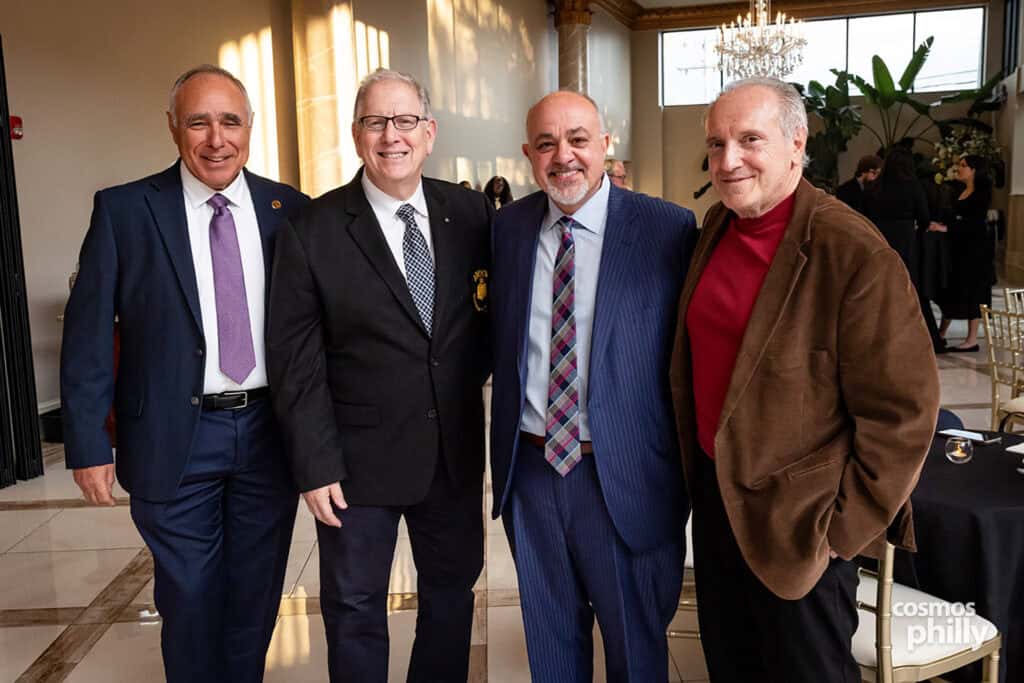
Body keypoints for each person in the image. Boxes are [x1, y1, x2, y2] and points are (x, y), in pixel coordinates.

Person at [669, 77, 939, 682]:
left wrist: (840, 535)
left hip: (802, 523)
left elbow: (904, 414)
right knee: (732, 665)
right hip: (717, 505)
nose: (728, 160)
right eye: (716, 144)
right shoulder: (715, 227)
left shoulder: (854, 252)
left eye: (749, 139)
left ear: (797, 143)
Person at [60, 65, 308, 682]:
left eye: (230, 121)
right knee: (191, 594)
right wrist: (88, 442)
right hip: (173, 439)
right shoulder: (124, 210)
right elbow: (88, 335)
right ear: (173, 128)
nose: (216, 138)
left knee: (255, 594)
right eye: (198, 121)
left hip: (267, 437)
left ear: (250, 128)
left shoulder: (290, 210)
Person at [267, 68, 492, 683]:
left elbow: (490, 322)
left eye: (404, 121)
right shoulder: (312, 229)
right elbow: (296, 361)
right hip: (354, 466)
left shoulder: (470, 213)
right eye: (375, 122)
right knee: (355, 605)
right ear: (356, 134)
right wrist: (314, 464)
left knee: (451, 595)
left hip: (452, 452)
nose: (391, 136)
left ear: (429, 132)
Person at [489, 90, 697, 681]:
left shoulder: (667, 229)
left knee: (635, 653)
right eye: (547, 144)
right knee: (551, 650)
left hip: (624, 476)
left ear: (605, 146)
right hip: (530, 472)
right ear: (529, 153)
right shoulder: (508, 229)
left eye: (579, 139)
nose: (565, 156)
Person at [863, 146, 945, 352]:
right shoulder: (913, 186)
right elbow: (924, 217)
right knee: (914, 291)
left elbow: (865, 214)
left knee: (880, 291)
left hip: (879, 240)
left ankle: (876, 342)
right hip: (906, 241)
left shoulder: (875, 187)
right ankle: (930, 341)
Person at [934, 155, 994, 351]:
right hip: (959, 248)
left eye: (963, 165)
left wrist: (947, 229)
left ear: (974, 170)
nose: (959, 168)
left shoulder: (982, 193)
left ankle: (971, 339)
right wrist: (942, 224)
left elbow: (974, 223)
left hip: (975, 250)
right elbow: (955, 216)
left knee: (973, 291)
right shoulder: (959, 189)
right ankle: (940, 333)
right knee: (953, 290)